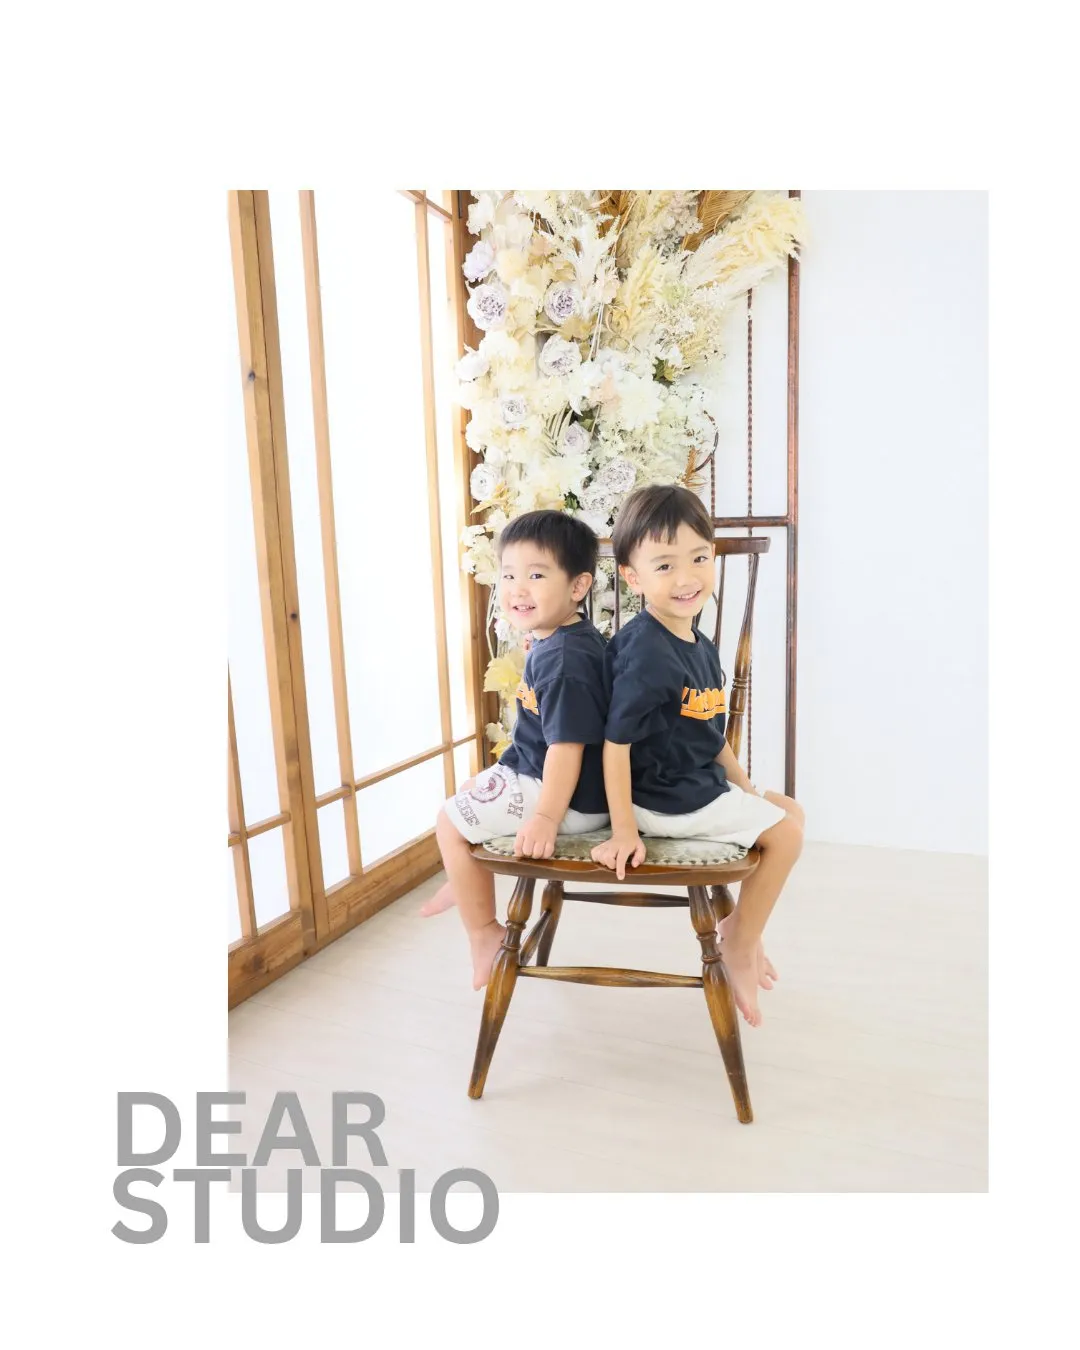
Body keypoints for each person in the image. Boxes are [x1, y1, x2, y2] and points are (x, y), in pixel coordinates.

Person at [590, 483, 805, 1027]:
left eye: (699, 558)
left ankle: (742, 927)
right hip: (661, 798)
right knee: (785, 835)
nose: (687, 578)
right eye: (665, 566)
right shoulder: (646, 652)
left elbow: (711, 734)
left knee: (788, 811)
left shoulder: (697, 643)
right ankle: (741, 943)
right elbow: (615, 746)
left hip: (691, 781)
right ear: (633, 578)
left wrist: (747, 790)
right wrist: (623, 829)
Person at [422, 510, 610, 990]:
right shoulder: (555, 639)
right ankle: (466, 880)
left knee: (449, 820)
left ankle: (484, 930)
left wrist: (546, 818)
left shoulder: (565, 660)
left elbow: (566, 748)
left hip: (568, 798)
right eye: (508, 575)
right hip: (541, 773)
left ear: (578, 586)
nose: (517, 589)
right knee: (471, 788)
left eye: (536, 575)